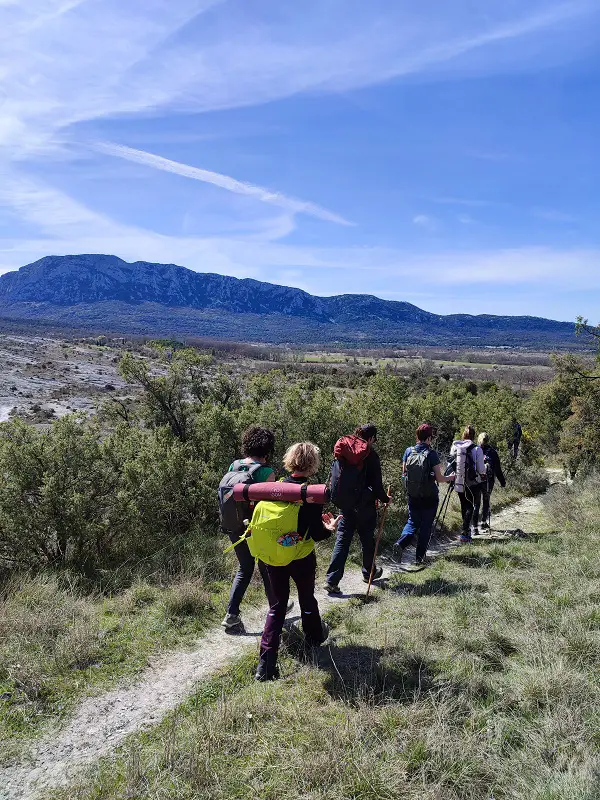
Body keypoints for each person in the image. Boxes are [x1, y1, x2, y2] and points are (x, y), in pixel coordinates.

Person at [255, 442, 340, 681]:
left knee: (277, 606)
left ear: (290, 460)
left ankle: (266, 665)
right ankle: (313, 639)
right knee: (306, 597)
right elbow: (316, 533)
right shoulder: (310, 493)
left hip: (274, 556)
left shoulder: (276, 487)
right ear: (312, 464)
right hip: (301, 557)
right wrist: (330, 528)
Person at [221, 426, 292, 631]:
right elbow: (268, 507)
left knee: (245, 567)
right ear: (268, 450)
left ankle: (232, 614)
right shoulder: (266, 472)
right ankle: (276, 607)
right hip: (254, 527)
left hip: (233, 524)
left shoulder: (234, 465)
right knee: (265, 565)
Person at [325, 424, 391, 594]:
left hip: (346, 504)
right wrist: (385, 499)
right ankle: (368, 572)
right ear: (370, 438)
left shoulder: (345, 449)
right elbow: (376, 485)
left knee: (343, 539)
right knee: (367, 538)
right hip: (364, 505)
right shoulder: (370, 455)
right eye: (374, 439)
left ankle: (332, 581)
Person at [393, 423, 455, 566]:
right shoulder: (432, 454)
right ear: (428, 438)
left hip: (413, 495)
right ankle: (419, 558)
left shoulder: (408, 451)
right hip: (429, 497)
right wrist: (451, 477)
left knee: (412, 522)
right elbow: (439, 478)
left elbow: (404, 474)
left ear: (417, 436)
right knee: (426, 526)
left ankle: (400, 544)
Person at [450, 424, 487, 543]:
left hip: (458, 481)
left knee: (463, 506)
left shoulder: (455, 447)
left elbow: (451, 462)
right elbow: (481, 469)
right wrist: (485, 469)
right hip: (472, 483)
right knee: (470, 507)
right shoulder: (477, 449)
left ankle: (466, 531)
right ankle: (465, 533)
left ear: (463, 435)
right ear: (473, 436)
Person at [476, 432, 506, 530]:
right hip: (488, 480)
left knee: (476, 502)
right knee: (486, 500)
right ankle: (483, 522)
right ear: (488, 440)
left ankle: (474, 525)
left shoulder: (475, 450)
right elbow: (497, 469)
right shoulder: (492, 452)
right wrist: (502, 482)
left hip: (475, 480)